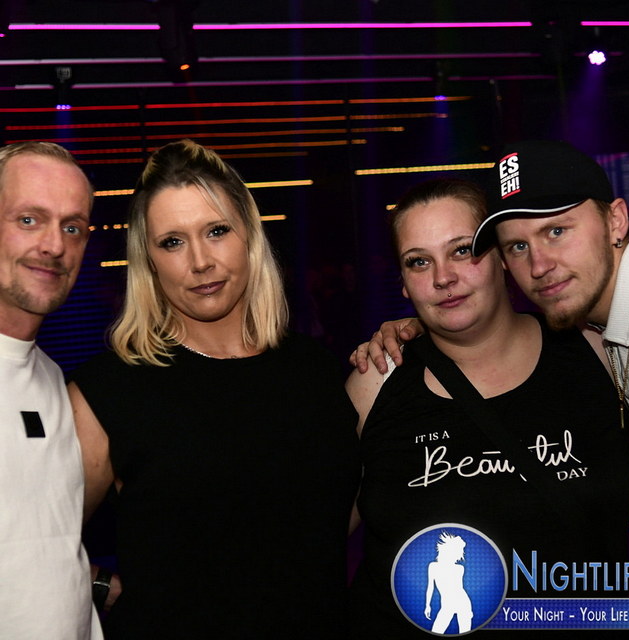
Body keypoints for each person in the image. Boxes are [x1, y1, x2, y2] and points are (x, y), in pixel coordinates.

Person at [68, 139, 360, 639]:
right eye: (172, 242)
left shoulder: (313, 369)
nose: (200, 261)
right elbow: (27, 537)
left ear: (249, 236)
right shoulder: (109, 391)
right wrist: (94, 585)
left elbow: (335, 516)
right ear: (149, 260)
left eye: (217, 231)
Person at [345, 178, 629, 638]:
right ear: (402, 282)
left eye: (462, 250)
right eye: (419, 261)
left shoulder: (599, 352)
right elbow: (307, 540)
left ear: (502, 256)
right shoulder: (376, 380)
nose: (443, 277)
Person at [355, 140, 629, 434]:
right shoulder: (602, 328)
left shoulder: (591, 345)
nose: (539, 266)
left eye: (557, 231)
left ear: (615, 221)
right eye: (518, 246)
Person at [0, 141, 103, 638]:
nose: (55, 245)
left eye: (72, 227)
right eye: (29, 219)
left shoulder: (53, 381)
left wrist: (94, 583)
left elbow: (38, 542)